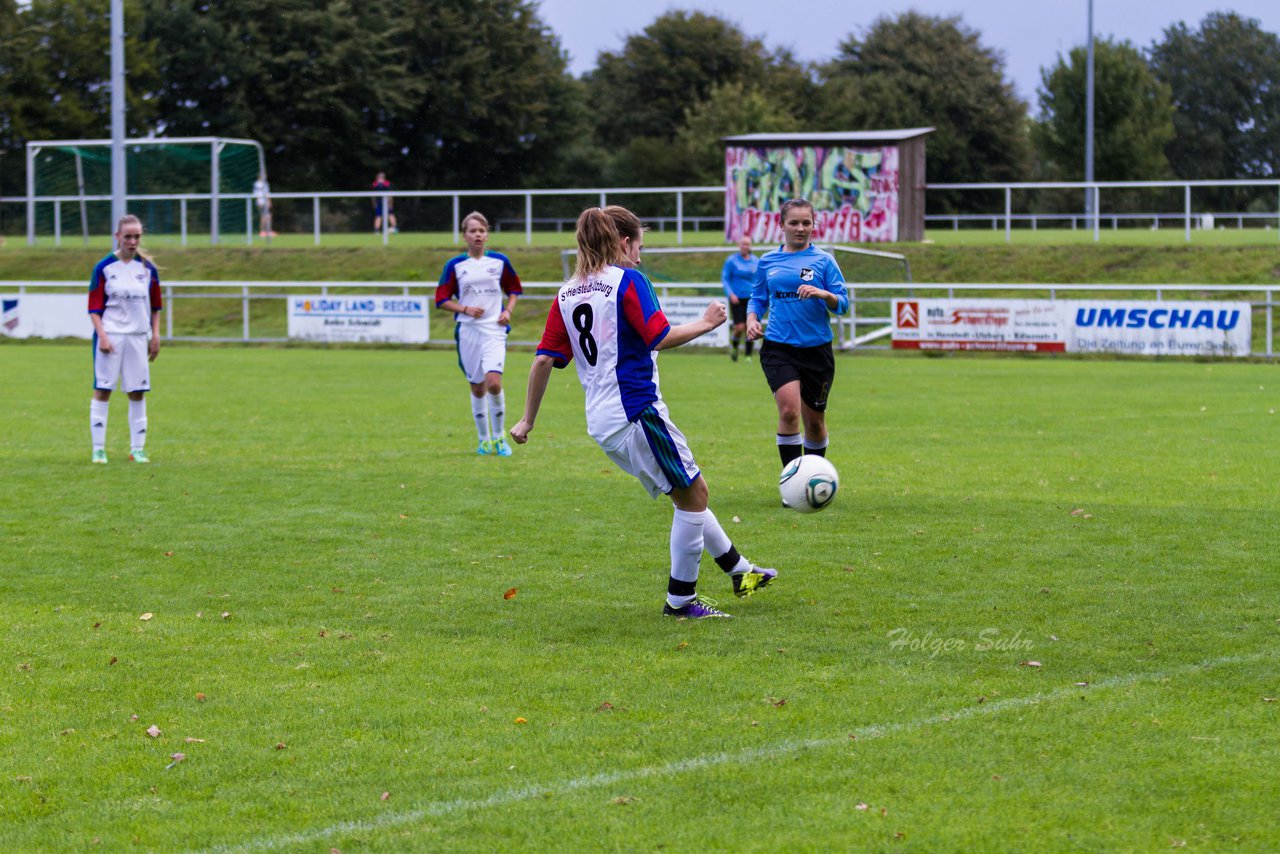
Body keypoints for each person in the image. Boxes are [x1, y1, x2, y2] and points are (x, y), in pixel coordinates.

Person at [511, 206, 777, 619]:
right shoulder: (628, 281)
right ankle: (681, 602)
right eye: (638, 246)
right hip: (636, 411)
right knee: (695, 494)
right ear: (623, 242)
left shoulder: (566, 293)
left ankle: (740, 572)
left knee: (684, 492)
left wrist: (528, 419)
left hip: (602, 422)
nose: (640, 255)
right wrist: (707, 322)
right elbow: (661, 335)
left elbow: (544, 360)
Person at [747, 198, 849, 469]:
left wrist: (824, 294)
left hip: (817, 350)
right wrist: (752, 319)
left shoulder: (824, 261)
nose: (800, 228)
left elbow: (843, 303)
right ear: (782, 225)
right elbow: (757, 298)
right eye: (794, 222)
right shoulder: (768, 261)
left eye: (806, 222)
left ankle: (814, 477)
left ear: (814, 226)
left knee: (814, 422)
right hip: (779, 347)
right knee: (790, 411)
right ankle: (792, 482)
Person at [435, 211, 522, 456]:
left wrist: (508, 310)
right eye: (473, 231)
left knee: (494, 383)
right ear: (464, 236)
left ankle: (499, 438)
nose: (478, 235)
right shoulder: (455, 266)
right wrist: (464, 308)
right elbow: (441, 299)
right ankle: (483, 439)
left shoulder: (499, 262)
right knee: (477, 387)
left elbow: (514, 289)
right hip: (468, 332)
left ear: (487, 234)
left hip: (494, 330)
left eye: (482, 230)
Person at [87, 214, 162, 464]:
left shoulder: (147, 269)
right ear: (117, 237)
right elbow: (94, 308)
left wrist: (155, 336)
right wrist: (103, 336)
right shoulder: (104, 268)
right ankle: (99, 449)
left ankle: (137, 449)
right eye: (128, 236)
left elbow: (155, 307)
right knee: (103, 390)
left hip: (138, 338)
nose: (132, 241)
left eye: (137, 236)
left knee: (137, 392)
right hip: (111, 336)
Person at [721, 234, 758, 362]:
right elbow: (725, 278)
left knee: (750, 327)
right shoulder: (732, 261)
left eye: (747, 244)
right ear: (739, 245)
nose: (745, 246)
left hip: (751, 299)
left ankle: (748, 355)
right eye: (743, 244)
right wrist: (731, 294)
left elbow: (759, 279)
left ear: (750, 246)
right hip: (737, 298)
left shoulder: (755, 261)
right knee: (739, 327)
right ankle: (735, 347)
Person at [253, 172, 275, 238]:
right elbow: (256, 194)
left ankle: (268, 231)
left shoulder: (266, 184)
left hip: (266, 202)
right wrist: (258, 201)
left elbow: (267, 193)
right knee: (263, 216)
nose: (265, 176)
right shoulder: (257, 184)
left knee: (269, 216)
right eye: (263, 175)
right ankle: (262, 231)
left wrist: (269, 201)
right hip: (261, 202)